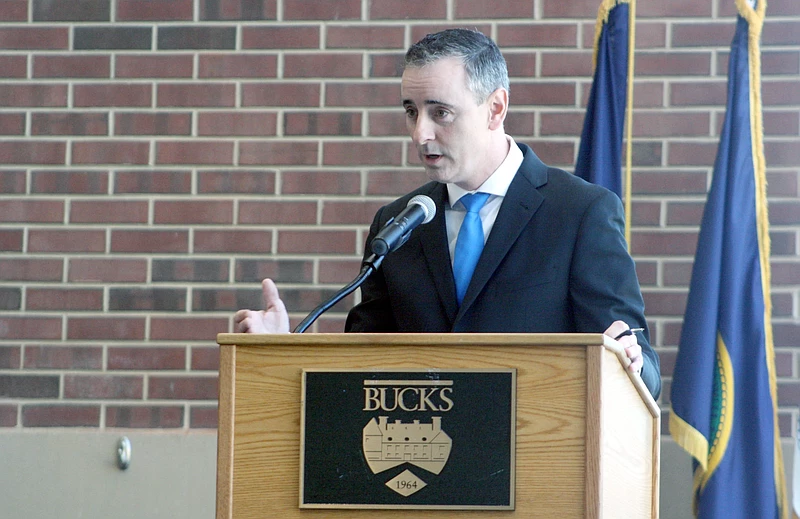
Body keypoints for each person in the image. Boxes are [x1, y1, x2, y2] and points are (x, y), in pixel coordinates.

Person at [235, 28, 661, 399]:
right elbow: (361, 365)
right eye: (411, 111)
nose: (421, 133)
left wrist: (630, 361)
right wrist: (283, 350)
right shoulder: (398, 223)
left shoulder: (579, 213)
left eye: (440, 112)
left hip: (540, 467)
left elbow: (645, 368)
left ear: (496, 109)